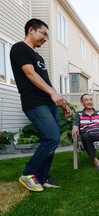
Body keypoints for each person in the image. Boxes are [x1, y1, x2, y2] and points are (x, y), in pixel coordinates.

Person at [10, 18, 71, 192]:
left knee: (50, 140)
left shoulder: (38, 56)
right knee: (52, 138)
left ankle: (43, 177)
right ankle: (29, 174)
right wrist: (52, 93)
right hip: (34, 102)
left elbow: (45, 80)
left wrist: (60, 101)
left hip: (48, 102)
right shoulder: (19, 48)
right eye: (44, 33)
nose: (45, 38)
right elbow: (30, 74)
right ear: (31, 30)